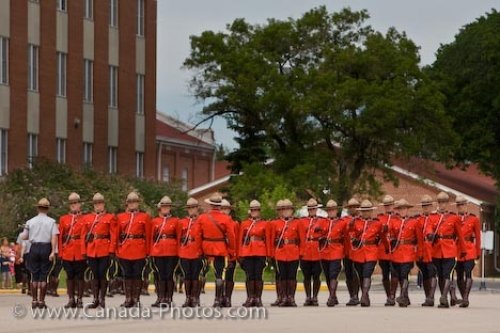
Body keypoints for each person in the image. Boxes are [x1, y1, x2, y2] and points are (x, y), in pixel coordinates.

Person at [426, 192, 466, 308]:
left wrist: (463, 250)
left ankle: (443, 297)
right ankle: (445, 299)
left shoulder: (454, 218)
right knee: (441, 275)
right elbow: (428, 228)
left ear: (447, 203)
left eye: (444, 202)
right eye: (440, 202)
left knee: (447, 273)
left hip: (449, 249)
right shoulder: (432, 217)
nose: (442, 204)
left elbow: (460, 235)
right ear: (438, 203)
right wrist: (429, 234)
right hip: (437, 250)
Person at [197, 193, 236, 307]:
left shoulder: (202, 217)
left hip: (205, 248)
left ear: (210, 205)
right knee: (219, 275)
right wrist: (231, 251)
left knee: (200, 273)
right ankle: (217, 300)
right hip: (220, 248)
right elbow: (231, 236)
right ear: (219, 205)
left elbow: (197, 234)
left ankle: (195, 298)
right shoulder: (226, 218)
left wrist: (199, 249)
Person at [81, 193, 117, 308]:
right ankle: (95, 299)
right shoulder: (87, 218)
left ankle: (102, 299)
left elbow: (113, 235)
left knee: (102, 274)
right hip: (91, 250)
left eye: (100, 203)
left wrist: (112, 250)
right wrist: (84, 251)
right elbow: (83, 236)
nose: (98, 206)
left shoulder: (110, 217)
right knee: (95, 275)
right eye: (96, 204)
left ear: (103, 204)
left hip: (104, 249)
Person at [348, 200, 387, 307]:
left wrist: (387, 248)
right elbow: (351, 233)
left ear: (371, 211)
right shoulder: (356, 222)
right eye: (364, 211)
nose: (366, 213)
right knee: (361, 275)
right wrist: (353, 238)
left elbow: (383, 237)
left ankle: (364, 296)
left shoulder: (377, 223)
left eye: (368, 211)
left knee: (367, 273)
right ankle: (366, 295)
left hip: (371, 252)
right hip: (359, 252)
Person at [21, 198, 58, 309]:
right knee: (43, 276)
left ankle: (34, 300)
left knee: (34, 276)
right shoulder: (51, 222)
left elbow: (24, 236)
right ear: (47, 209)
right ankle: (41, 301)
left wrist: (26, 229)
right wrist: (52, 251)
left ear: (38, 208)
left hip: (34, 247)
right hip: (46, 247)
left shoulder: (30, 221)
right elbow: (53, 237)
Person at [116, 191, 152, 308]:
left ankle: (136, 299)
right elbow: (117, 235)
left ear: (138, 203)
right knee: (126, 275)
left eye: (134, 202)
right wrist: (117, 250)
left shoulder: (145, 217)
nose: (132, 204)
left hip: (139, 249)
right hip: (125, 250)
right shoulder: (120, 217)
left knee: (137, 275)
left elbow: (148, 235)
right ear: (127, 204)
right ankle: (128, 299)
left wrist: (148, 252)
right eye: (130, 202)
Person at [388, 199, 424, 307]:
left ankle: (403, 296)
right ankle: (406, 298)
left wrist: (420, 253)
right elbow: (390, 235)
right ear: (398, 210)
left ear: (407, 209)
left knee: (404, 274)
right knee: (398, 275)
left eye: (404, 208)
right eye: (400, 209)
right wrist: (391, 240)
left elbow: (420, 239)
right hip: (397, 252)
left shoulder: (414, 222)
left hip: (408, 252)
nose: (402, 210)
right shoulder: (393, 221)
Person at [238, 200, 271, 307]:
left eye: (256, 210)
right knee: (249, 275)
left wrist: (269, 254)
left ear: (259, 211)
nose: (254, 212)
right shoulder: (244, 224)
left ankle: (258, 298)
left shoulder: (264, 224)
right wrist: (239, 254)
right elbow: (240, 240)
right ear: (250, 211)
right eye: (252, 210)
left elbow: (268, 239)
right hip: (247, 251)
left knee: (258, 275)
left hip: (260, 251)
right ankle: (250, 297)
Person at [270, 199, 301, 307]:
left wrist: (301, 253)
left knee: (292, 276)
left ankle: (291, 298)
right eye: (284, 209)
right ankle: (283, 297)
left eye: (288, 209)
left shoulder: (297, 222)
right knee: (283, 276)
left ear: (292, 210)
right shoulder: (275, 223)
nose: (286, 211)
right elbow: (273, 240)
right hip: (281, 253)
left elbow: (301, 239)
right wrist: (273, 254)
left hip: (293, 252)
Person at [150, 196, 179, 307]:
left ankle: (169, 298)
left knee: (169, 274)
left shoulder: (176, 221)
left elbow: (179, 236)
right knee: (160, 274)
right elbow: (152, 237)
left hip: (172, 250)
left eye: (167, 206)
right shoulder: (155, 221)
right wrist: (151, 251)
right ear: (160, 208)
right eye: (163, 206)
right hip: (158, 250)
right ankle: (161, 297)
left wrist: (178, 251)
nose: (165, 208)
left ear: (170, 208)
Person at [59, 193, 86, 308]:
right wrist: (60, 252)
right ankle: (71, 299)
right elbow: (60, 237)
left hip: (80, 251)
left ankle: (79, 299)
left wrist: (86, 253)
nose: (73, 205)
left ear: (80, 204)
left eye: (75, 203)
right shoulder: (63, 219)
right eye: (71, 203)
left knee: (80, 276)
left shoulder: (85, 218)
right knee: (69, 276)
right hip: (67, 251)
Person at [318, 200, 347, 307]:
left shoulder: (342, 223)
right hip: (325, 251)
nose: (331, 212)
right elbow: (318, 235)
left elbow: (346, 238)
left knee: (333, 274)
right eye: (329, 210)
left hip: (336, 250)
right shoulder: (322, 222)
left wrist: (345, 251)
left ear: (336, 210)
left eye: (333, 210)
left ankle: (331, 297)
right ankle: (333, 296)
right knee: (327, 275)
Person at [454, 195, 481, 308]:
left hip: (469, 249)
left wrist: (478, 252)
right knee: (459, 275)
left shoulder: (474, 219)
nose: (461, 207)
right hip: (457, 249)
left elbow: (478, 237)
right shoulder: (454, 219)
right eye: (459, 205)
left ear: (467, 205)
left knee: (468, 273)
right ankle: (464, 296)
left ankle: (465, 298)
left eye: (463, 204)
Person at [177, 198, 203, 307]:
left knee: (196, 275)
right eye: (189, 208)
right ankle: (188, 298)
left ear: (197, 208)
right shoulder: (182, 222)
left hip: (197, 251)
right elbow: (179, 237)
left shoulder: (201, 221)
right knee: (187, 275)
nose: (191, 210)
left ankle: (195, 298)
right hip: (185, 251)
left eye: (193, 207)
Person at [299, 198, 324, 306]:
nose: (312, 210)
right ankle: (308, 297)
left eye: (314, 208)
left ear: (316, 209)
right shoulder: (302, 221)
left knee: (316, 276)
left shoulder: (322, 221)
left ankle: (315, 297)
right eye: (310, 209)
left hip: (317, 251)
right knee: (306, 276)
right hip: (306, 251)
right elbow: (299, 236)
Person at [417, 194, 439, 306]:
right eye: (424, 206)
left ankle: (431, 296)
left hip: (433, 250)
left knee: (432, 273)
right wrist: (419, 252)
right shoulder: (418, 219)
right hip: (422, 251)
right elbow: (418, 237)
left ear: (431, 206)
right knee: (424, 274)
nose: (426, 208)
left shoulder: (436, 218)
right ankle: (427, 297)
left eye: (428, 206)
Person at [377, 195, 398, 306]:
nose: (388, 207)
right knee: (385, 274)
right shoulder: (380, 218)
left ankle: (393, 296)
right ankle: (388, 295)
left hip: (394, 249)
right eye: (386, 205)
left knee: (394, 272)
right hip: (383, 250)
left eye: (390, 205)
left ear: (393, 205)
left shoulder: (398, 218)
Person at [220, 199, 238, 307]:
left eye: (226, 209)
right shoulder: (216, 223)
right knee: (219, 276)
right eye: (222, 209)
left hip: (231, 254)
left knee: (229, 276)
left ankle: (227, 298)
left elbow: (236, 240)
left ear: (229, 210)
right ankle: (220, 297)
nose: (223, 211)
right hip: (220, 252)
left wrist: (235, 254)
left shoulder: (234, 224)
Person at [343, 198, 361, 306]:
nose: (353, 209)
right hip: (347, 251)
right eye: (351, 207)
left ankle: (356, 295)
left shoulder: (362, 220)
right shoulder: (344, 220)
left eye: (355, 206)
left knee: (355, 274)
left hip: (358, 251)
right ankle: (351, 296)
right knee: (348, 274)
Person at [269, 200, 284, 306]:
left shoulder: (292, 221)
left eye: (282, 209)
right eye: (279, 209)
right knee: (278, 275)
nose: (281, 211)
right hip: (277, 252)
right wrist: (270, 254)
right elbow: (270, 239)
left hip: (288, 252)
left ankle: (286, 296)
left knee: (286, 275)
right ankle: (279, 297)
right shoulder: (273, 223)